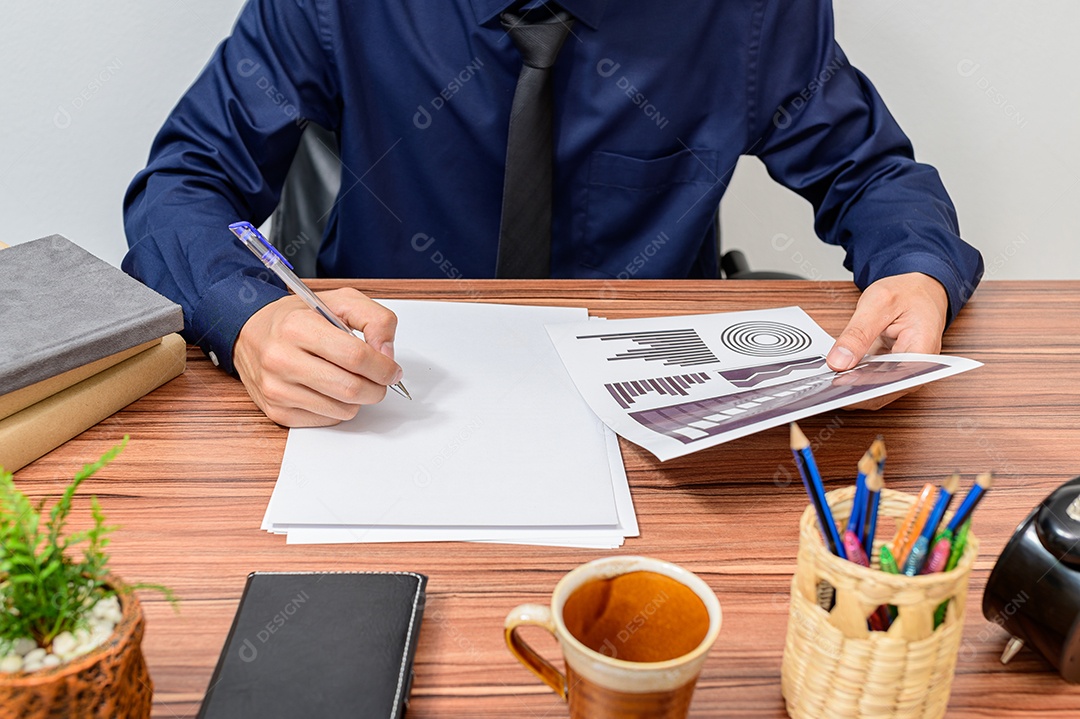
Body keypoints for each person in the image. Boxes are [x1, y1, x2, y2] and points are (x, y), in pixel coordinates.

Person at [122, 0, 984, 427]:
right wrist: (248, 317)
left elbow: (873, 174)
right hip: (382, 398)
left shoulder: (746, 13)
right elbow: (183, 183)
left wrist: (915, 267)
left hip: (652, 415)